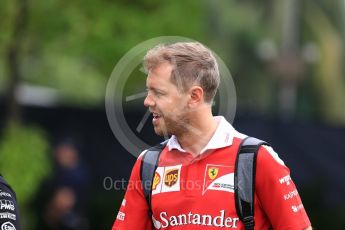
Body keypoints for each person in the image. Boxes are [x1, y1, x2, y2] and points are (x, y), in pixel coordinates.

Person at [112, 42, 312, 229]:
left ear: (194, 96)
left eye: (159, 93)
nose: (147, 101)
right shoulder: (147, 164)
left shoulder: (256, 158)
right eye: (149, 91)